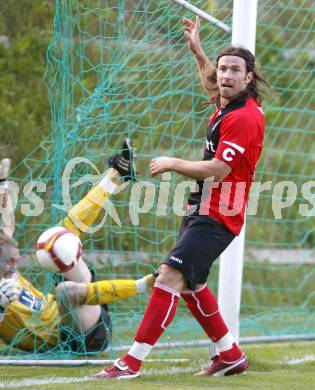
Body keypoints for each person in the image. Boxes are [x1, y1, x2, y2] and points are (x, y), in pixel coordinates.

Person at [96, 16, 270, 379]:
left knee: (169, 278)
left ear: (248, 77)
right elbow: (209, 79)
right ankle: (230, 356)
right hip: (204, 206)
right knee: (193, 284)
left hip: (220, 212)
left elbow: (219, 170)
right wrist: (197, 49)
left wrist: (174, 162)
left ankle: (131, 362)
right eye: (223, 68)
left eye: (234, 70)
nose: (225, 75)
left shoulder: (245, 118)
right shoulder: (226, 101)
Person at [0, 141, 156, 353]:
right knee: (65, 291)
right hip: (79, 338)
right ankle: (144, 285)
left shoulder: (5, 261)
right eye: (9, 259)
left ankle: (116, 176)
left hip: (80, 313)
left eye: (14, 255)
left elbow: (7, 225)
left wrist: (3, 186)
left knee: (59, 239)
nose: (14, 261)